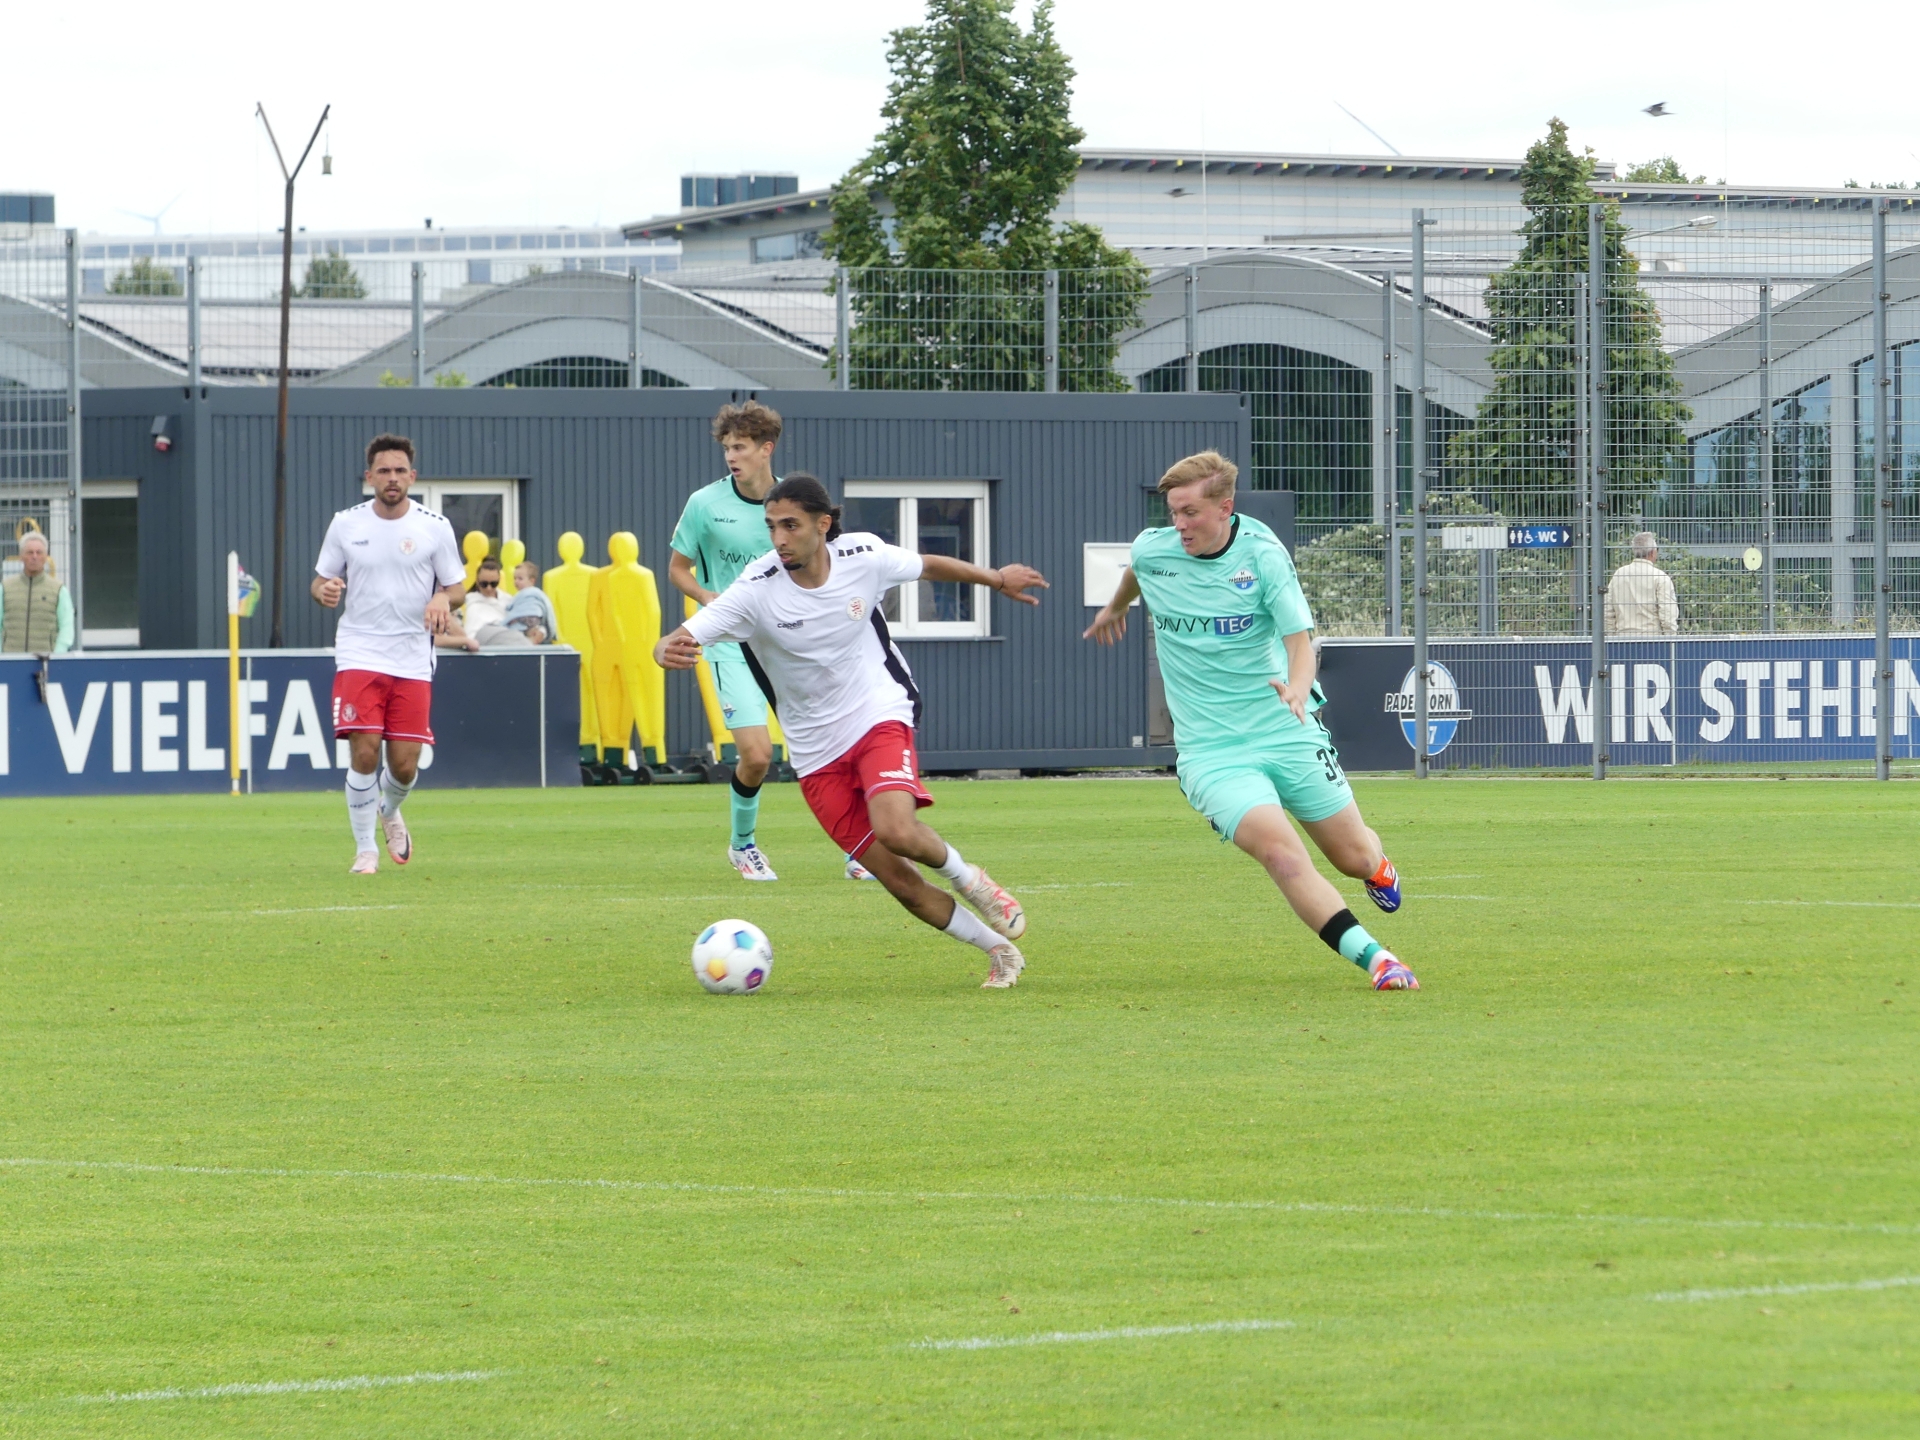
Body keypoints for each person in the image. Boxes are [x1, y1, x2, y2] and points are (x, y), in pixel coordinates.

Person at [656, 474, 1047, 989]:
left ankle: (970, 879)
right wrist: (665, 647)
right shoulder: (755, 587)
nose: (778, 538)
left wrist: (996, 579)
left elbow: (928, 564)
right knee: (898, 881)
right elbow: (686, 633)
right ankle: (998, 949)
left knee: (896, 830)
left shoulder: (864, 554)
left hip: (877, 712)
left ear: (823, 524)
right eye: (771, 526)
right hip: (815, 754)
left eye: (790, 525)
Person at [1083, 450, 1418, 991]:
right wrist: (1117, 607)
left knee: (1353, 857)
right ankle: (1379, 960)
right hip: (1212, 753)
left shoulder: (1262, 555)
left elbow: (1299, 643)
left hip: (1285, 727)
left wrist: (1299, 688)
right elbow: (1137, 571)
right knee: (1280, 853)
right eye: (1173, 512)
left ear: (1225, 507)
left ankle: (1377, 865)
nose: (1179, 525)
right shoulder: (1154, 549)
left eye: (1190, 512)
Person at [667, 400, 872, 883]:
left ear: (766, 449)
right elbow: (677, 568)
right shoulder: (704, 504)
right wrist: (705, 596)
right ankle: (743, 846)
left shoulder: (792, 506)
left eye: (740, 447)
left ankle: (860, 850)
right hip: (731, 644)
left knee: (837, 748)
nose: (731, 456)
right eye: (726, 448)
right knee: (758, 755)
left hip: (793, 644)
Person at [312, 434, 466, 876]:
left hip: (412, 656)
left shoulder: (434, 526)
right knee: (364, 752)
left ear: (412, 477)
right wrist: (324, 591)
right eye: (384, 471)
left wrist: (443, 598)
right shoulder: (345, 524)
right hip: (359, 650)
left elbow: (456, 586)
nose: (392, 478)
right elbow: (320, 581)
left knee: (404, 765)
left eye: (400, 471)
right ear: (370, 477)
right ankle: (365, 850)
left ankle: (389, 809)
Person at [1, 529, 74, 654]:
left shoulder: (59, 590)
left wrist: (57, 656)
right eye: (29, 552)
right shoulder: (5, 588)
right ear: (21, 556)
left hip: (45, 661)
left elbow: (66, 628)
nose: (34, 557)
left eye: (39, 552)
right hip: (11, 660)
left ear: (45, 557)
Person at [1606, 531, 1679, 636]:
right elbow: (1667, 615)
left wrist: (1612, 637)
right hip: (1651, 639)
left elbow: (1608, 611)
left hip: (1622, 638)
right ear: (1653, 552)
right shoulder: (1660, 577)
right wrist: (1670, 638)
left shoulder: (1618, 575)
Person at [458, 558, 535, 647]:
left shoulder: (508, 600)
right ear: (477, 581)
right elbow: (471, 634)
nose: (489, 588)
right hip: (487, 640)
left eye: (493, 584)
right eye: (484, 584)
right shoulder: (471, 603)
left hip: (512, 639)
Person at [505, 561, 558, 643]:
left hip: (529, 616)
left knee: (521, 629)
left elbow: (511, 607)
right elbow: (546, 604)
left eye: (520, 579)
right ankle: (536, 635)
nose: (516, 581)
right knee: (535, 629)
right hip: (535, 619)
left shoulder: (532, 593)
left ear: (531, 581)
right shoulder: (522, 595)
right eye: (515, 578)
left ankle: (532, 638)